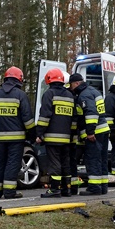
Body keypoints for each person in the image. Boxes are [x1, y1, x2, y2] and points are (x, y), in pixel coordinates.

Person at [0, 66, 34, 199]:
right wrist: (32, 135)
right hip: (17, 139)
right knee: (12, 163)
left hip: (0, 138)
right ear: (19, 80)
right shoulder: (20, 95)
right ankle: (9, 192)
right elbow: (28, 120)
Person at [68, 72, 110, 195]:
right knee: (102, 159)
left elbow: (91, 113)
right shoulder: (94, 91)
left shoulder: (84, 95)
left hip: (95, 132)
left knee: (93, 159)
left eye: (71, 85)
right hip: (103, 129)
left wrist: (90, 132)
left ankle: (94, 188)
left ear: (76, 83)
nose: (70, 88)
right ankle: (103, 186)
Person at [36, 68, 74, 197]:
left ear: (48, 80)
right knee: (65, 162)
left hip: (52, 137)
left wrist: (39, 133)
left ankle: (55, 189)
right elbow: (73, 118)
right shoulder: (70, 95)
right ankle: (66, 189)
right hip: (67, 137)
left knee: (54, 163)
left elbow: (44, 116)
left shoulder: (49, 94)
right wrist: (72, 135)